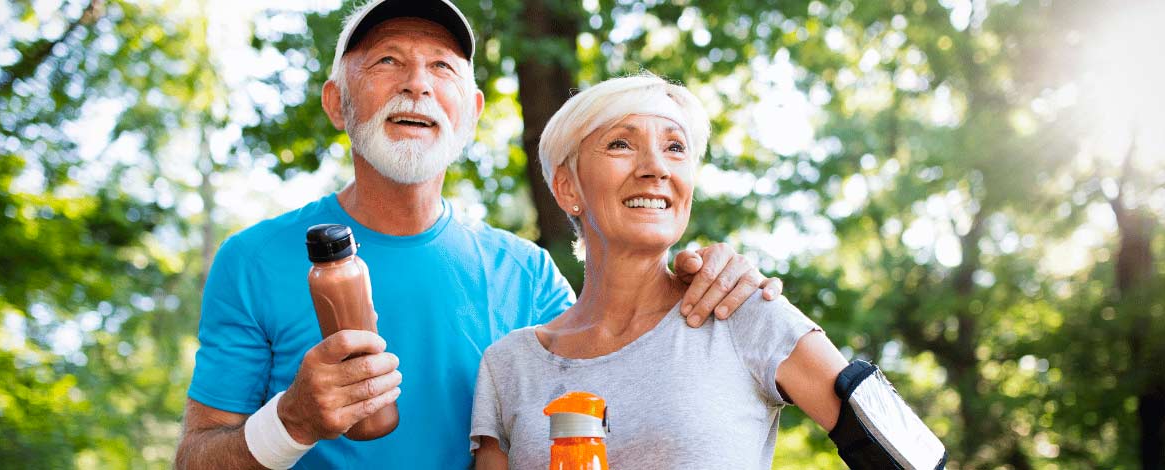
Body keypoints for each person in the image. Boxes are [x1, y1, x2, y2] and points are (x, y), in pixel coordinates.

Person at [173, 1, 784, 469]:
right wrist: (292, 420)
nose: (417, 83)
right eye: (388, 61)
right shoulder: (253, 260)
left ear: (471, 110)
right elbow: (195, 458)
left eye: (442, 67)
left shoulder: (529, 275)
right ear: (337, 102)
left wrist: (708, 280)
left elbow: (620, 393)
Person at [470, 74, 946, 469]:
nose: (656, 167)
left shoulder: (742, 311)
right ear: (567, 187)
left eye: (675, 148)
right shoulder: (510, 365)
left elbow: (914, 458)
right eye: (621, 144)